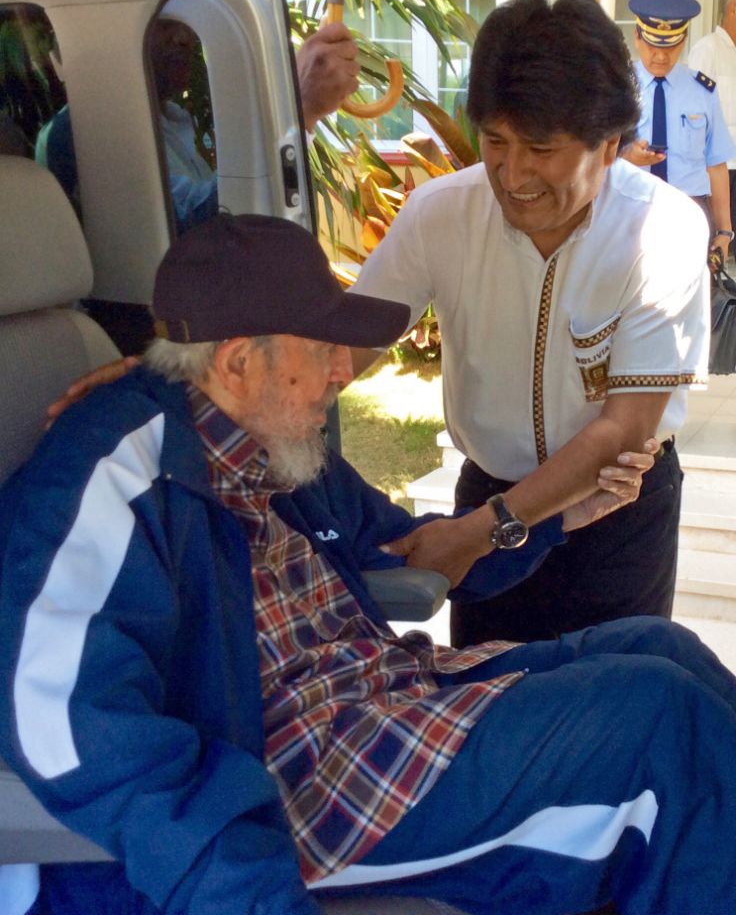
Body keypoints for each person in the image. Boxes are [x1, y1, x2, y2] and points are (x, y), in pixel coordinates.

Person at [1, 212, 736, 915]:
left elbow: (413, 551)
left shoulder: (281, 445)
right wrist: (244, 892)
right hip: (293, 776)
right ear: (235, 362)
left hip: (381, 695)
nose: (344, 372)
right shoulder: (110, 476)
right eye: (322, 348)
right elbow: (65, 728)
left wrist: (553, 520)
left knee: (661, 648)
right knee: (661, 722)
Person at [349, 0, 710, 648]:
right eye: (494, 140)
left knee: (610, 710)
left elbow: (623, 431)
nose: (513, 175)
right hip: (486, 494)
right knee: (487, 701)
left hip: (616, 512)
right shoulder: (439, 215)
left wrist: (484, 531)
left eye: (541, 149)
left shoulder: (664, 229)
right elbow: (344, 350)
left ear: (609, 144)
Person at [36, 17, 359, 231]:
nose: (184, 37)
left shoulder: (174, 118)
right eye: (162, 23)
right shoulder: (82, 129)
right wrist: (299, 111)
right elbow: (203, 224)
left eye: (185, 22)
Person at [623, 0, 736, 263]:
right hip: (629, 213)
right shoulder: (617, 89)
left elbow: (716, 165)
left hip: (690, 212)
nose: (661, 57)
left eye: (670, 47)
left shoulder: (703, 91)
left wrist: (724, 230)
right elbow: (591, 158)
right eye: (653, 46)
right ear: (637, 38)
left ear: (684, 40)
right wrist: (625, 156)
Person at [688, 0, 736, 259]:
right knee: (719, 247)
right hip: (720, 169)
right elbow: (695, 109)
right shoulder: (708, 49)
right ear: (733, 10)